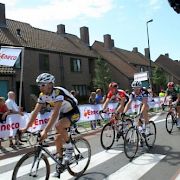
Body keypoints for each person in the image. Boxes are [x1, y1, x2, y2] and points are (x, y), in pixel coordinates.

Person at [20, 73, 80, 177]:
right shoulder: (42, 96)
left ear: (50, 84)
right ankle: (60, 163)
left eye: (42, 85)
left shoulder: (58, 92)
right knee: (57, 138)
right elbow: (35, 112)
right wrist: (26, 127)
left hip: (73, 112)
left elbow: (55, 113)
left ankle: (69, 148)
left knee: (58, 126)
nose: (40, 88)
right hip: (63, 113)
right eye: (39, 85)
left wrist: (45, 131)